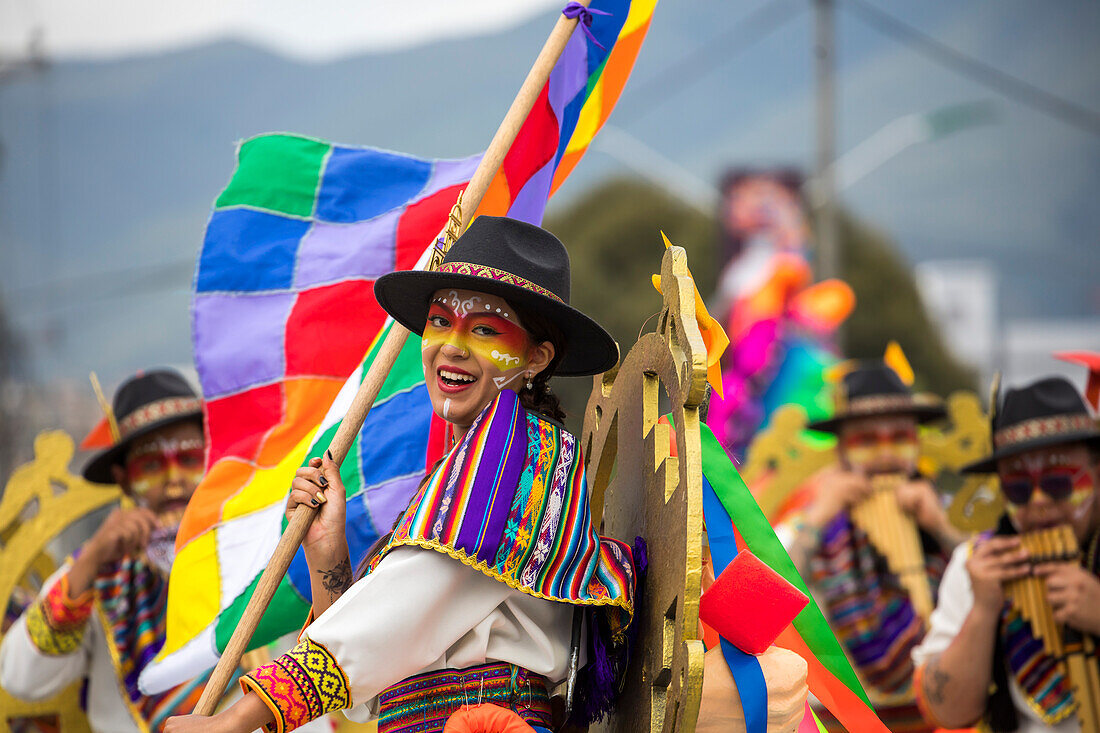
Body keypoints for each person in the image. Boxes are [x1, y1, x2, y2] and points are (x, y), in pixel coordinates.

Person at [166, 217, 637, 733]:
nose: (450, 346)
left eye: (484, 329)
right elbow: (370, 677)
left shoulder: (519, 457)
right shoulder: (475, 463)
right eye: (440, 322)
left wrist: (238, 719)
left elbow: (402, 605)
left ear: (535, 358)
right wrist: (329, 554)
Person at [0, 369, 210, 731]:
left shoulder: (253, 547)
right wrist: (92, 559)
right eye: (152, 465)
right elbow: (21, 676)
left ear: (213, 459)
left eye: (189, 459)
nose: (174, 478)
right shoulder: (98, 572)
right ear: (125, 479)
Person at [777, 362, 964, 732]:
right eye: (867, 441)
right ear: (842, 449)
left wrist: (942, 529)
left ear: (917, 442)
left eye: (899, 437)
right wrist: (818, 518)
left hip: (939, 715)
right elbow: (772, 594)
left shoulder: (947, 514)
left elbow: (988, 582)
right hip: (845, 720)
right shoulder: (806, 524)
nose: (886, 454)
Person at [912, 375, 1100, 732]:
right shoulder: (977, 562)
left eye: (1058, 481)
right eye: (1018, 488)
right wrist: (984, 610)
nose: (1039, 503)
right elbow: (945, 713)